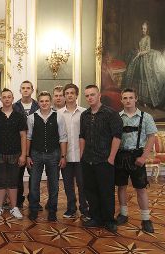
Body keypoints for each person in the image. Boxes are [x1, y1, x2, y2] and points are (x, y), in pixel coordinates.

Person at [80, 85, 123, 233]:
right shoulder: (84, 115)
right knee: (90, 191)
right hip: (88, 160)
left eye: (92, 94)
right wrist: (81, 155)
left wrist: (111, 158)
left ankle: (109, 220)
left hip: (105, 160)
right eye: (87, 96)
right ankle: (95, 217)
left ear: (99, 95)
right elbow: (82, 136)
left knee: (106, 192)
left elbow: (117, 137)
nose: (90, 98)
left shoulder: (111, 114)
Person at [115, 88, 156, 233]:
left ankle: (146, 219)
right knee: (121, 186)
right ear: (121, 100)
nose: (127, 100)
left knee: (141, 188)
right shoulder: (117, 117)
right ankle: (123, 214)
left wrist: (144, 157)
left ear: (135, 99)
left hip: (137, 156)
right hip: (120, 156)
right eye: (125, 98)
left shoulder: (146, 117)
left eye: (130, 98)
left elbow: (152, 137)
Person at [26, 91, 67, 222]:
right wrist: (27, 155)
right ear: (38, 102)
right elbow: (28, 138)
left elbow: (63, 137)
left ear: (51, 102)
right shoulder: (31, 117)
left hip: (54, 154)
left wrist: (63, 156)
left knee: (54, 184)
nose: (44, 103)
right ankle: (33, 209)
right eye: (42, 101)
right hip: (36, 154)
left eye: (47, 101)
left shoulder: (58, 117)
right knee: (34, 184)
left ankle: (52, 211)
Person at [0, 88, 27, 219]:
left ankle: (13, 207)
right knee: (0, 181)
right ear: (1, 99)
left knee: (13, 181)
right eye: (4, 97)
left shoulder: (19, 116)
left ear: (12, 98)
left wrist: (23, 155)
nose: (6, 99)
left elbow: (23, 136)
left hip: (15, 154)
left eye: (9, 97)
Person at [57, 84, 89, 219]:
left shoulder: (85, 112)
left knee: (82, 184)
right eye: (67, 93)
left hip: (81, 155)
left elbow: (88, 134)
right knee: (68, 184)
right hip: (66, 155)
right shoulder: (58, 114)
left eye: (72, 93)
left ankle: (84, 208)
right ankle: (71, 208)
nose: (69, 95)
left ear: (76, 95)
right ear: (64, 96)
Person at [123, 21, 165, 108]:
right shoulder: (140, 38)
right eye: (142, 28)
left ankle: (145, 100)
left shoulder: (148, 38)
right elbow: (139, 47)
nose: (143, 30)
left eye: (144, 29)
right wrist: (138, 51)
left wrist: (141, 53)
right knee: (137, 78)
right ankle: (139, 99)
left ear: (147, 30)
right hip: (138, 61)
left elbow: (148, 49)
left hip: (145, 60)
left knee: (144, 78)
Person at [13, 80, 39, 209]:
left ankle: (34, 202)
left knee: (34, 177)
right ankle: (18, 201)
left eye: (28, 88)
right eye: (23, 88)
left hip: (35, 146)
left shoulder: (39, 106)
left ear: (32, 90)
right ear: (20, 90)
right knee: (17, 176)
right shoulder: (14, 106)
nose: (26, 90)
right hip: (18, 146)